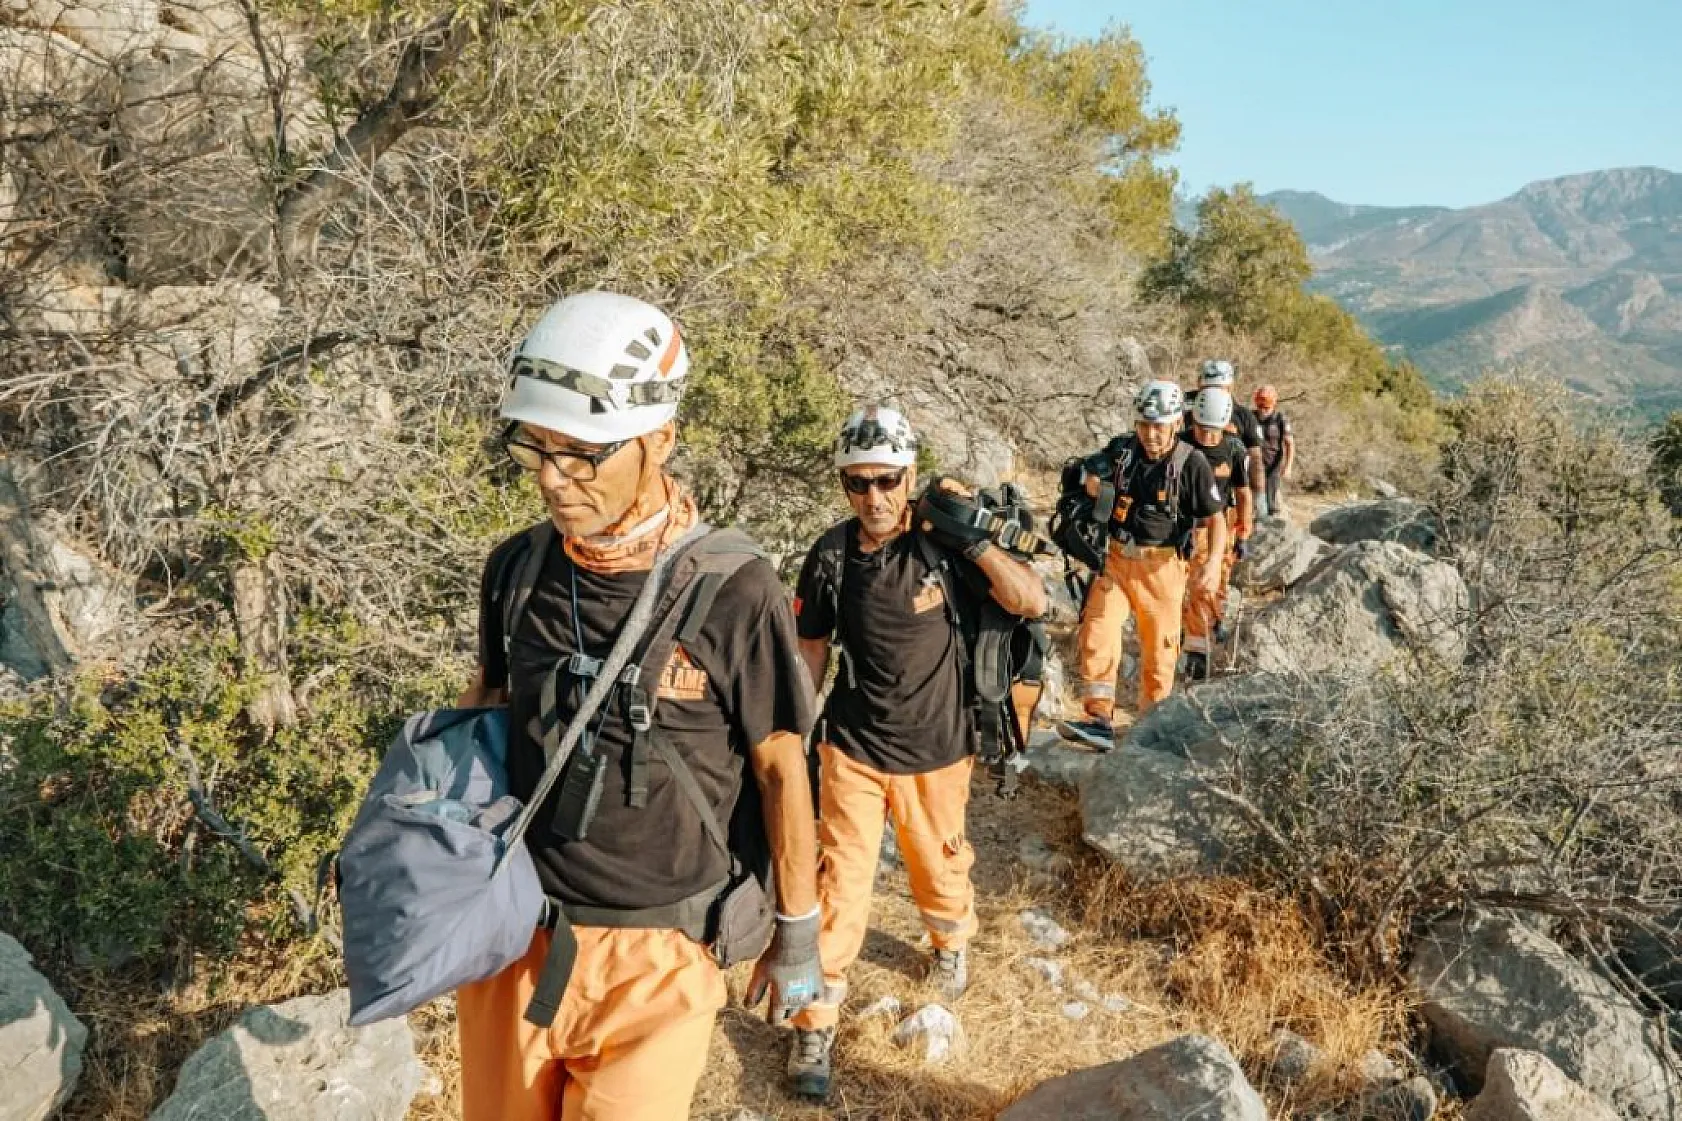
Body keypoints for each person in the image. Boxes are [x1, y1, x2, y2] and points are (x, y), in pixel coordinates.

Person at [453, 291, 822, 1121]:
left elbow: (779, 767)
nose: (553, 477)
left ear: (660, 438)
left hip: (660, 957)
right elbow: (483, 708)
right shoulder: (516, 570)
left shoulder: (736, 589)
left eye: (582, 452)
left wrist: (798, 931)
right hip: (514, 937)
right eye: (536, 447)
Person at [785, 405, 1047, 1100]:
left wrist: (972, 539)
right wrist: (791, 728)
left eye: (888, 480)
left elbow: (1031, 600)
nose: (873, 497)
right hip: (853, 746)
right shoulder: (832, 554)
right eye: (858, 482)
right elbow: (812, 647)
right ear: (843, 483)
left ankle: (950, 939)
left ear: (909, 475)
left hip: (938, 748)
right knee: (838, 885)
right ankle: (815, 1022)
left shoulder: (943, 545)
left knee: (939, 866)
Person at [1057, 381, 1227, 750]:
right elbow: (1083, 473)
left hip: (1163, 570)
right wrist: (1089, 486)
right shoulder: (1121, 452)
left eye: (1159, 426)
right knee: (1098, 631)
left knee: (1159, 652)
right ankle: (1098, 717)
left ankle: (1150, 728)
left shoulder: (1192, 463)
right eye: (1144, 425)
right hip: (1116, 559)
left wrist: (1213, 563)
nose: (1150, 434)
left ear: (1176, 423)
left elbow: (1216, 519)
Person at [1179, 387, 1253, 682]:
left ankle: (1198, 653)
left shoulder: (1234, 450)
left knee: (1207, 585)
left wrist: (1244, 531)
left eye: (1213, 430)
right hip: (1181, 526)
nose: (1206, 436)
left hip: (1217, 527)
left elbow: (1243, 493)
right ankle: (1179, 638)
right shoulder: (1179, 445)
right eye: (1201, 428)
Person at [1194, 359, 1265, 517]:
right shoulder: (1186, 409)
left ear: (1230, 387)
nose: (1214, 394)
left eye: (1219, 388)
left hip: (1228, 492)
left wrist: (1258, 494)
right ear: (1199, 385)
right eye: (1208, 388)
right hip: (1188, 492)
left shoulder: (1243, 416)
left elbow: (1255, 458)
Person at [1254, 385, 1295, 518]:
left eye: (1266, 408)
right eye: (1260, 407)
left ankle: (1269, 525)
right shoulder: (1250, 417)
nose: (1263, 411)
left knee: (1270, 501)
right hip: (1253, 465)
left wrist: (1287, 467)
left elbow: (1289, 444)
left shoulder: (1280, 419)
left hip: (1272, 465)